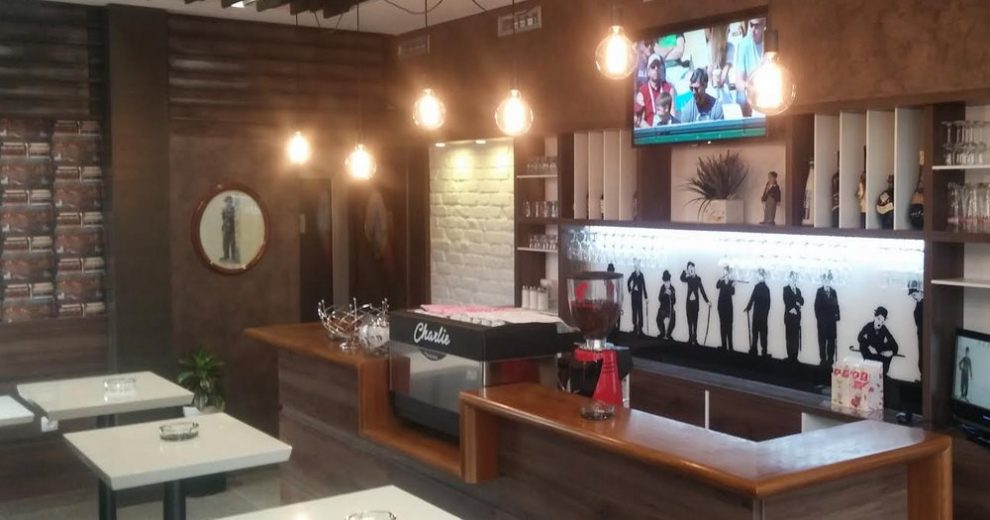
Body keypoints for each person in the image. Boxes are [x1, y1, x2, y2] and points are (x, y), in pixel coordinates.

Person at [634, 54, 677, 129]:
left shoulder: (669, 89)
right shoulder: (642, 93)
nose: (656, 69)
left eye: (658, 66)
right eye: (653, 67)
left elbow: (672, 114)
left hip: (668, 129)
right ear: (648, 72)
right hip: (649, 132)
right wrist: (652, 131)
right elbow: (640, 121)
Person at [734, 16, 765, 116]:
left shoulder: (770, 41)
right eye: (751, 25)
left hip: (767, 87)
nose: (753, 29)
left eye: (757, 26)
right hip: (750, 89)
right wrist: (749, 87)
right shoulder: (743, 44)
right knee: (741, 98)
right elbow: (738, 82)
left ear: (764, 25)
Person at [857, 306, 899, 377]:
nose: (880, 323)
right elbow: (859, 337)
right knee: (863, 343)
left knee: (889, 345)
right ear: (875, 317)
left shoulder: (883, 328)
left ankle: (882, 374)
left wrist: (891, 352)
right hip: (869, 353)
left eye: (882, 321)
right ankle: (876, 373)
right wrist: (869, 347)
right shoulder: (869, 326)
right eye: (878, 319)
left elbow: (895, 345)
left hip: (878, 352)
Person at [814, 271, 840, 367]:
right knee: (822, 342)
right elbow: (816, 307)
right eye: (825, 281)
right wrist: (821, 320)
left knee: (831, 342)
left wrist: (837, 317)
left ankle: (830, 360)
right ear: (823, 281)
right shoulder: (819, 291)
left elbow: (836, 306)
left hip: (832, 323)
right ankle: (823, 360)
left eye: (828, 281)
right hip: (822, 323)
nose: (827, 282)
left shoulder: (833, 292)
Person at [681, 262, 710, 345]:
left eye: (692, 268)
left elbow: (702, 290)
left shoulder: (698, 279)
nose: (691, 269)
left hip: (695, 304)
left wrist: (707, 301)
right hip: (688, 304)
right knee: (689, 323)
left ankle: (695, 339)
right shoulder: (688, 278)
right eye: (689, 268)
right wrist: (685, 271)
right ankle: (690, 339)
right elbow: (681, 278)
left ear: (694, 268)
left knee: (695, 322)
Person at [744, 268, 770, 357]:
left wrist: (765, 314)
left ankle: (763, 351)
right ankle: (755, 349)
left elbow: (767, 304)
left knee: (762, 334)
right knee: (756, 333)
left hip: (761, 315)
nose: (758, 277)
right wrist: (748, 307)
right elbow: (752, 299)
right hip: (758, 315)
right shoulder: (760, 287)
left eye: (759, 275)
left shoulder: (764, 288)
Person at [783, 271, 804, 363]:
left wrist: (796, 302)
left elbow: (802, 301)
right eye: (793, 278)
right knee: (789, 337)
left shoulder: (798, 290)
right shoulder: (786, 289)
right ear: (789, 278)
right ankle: (790, 357)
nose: (794, 280)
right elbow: (787, 301)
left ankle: (795, 357)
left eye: (796, 278)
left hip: (797, 319)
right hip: (789, 318)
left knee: (796, 338)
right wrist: (796, 303)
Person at [715, 266, 736, 351]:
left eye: (726, 272)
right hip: (721, 307)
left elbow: (732, 292)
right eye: (724, 272)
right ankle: (724, 345)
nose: (725, 273)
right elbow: (717, 286)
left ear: (729, 272)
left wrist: (731, 285)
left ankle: (730, 347)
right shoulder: (722, 281)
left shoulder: (731, 282)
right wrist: (720, 279)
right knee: (722, 326)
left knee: (729, 326)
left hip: (728, 307)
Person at [627, 260, 647, 336]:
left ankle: (640, 330)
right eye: (635, 266)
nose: (637, 267)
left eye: (638, 266)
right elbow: (628, 281)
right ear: (634, 267)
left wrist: (646, 297)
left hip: (639, 297)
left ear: (639, 266)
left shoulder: (641, 275)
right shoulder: (633, 274)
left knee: (640, 313)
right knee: (634, 312)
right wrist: (630, 290)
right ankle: (635, 329)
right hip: (634, 296)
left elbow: (644, 286)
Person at [908, 281, 923, 378]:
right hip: (921, 336)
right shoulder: (919, 305)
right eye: (912, 295)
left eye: (914, 294)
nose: (914, 297)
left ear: (921, 291)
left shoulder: (923, 305)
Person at [657, 270, 677, 340]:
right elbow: (659, 298)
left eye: (667, 282)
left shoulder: (672, 289)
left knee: (673, 319)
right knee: (658, 319)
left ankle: (668, 334)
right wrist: (664, 293)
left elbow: (674, 301)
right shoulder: (662, 288)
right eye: (665, 282)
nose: (666, 284)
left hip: (670, 309)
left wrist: (671, 295)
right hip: (662, 309)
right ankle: (662, 333)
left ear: (670, 281)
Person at [220, 195, 237, 263]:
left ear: (231, 202)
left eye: (230, 201)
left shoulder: (234, 209)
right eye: (227, 201)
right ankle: (226, 256)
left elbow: (233, 217)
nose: (228, 203)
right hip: (225, 228)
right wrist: (224, 225)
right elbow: (223, 218)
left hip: (232, 228)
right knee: (225, 243)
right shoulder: (223, 209)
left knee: (233, 243)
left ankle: (233, 257)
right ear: (225, 202)